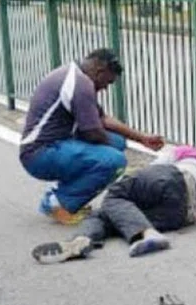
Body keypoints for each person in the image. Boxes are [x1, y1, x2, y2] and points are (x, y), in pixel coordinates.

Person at [19, 48, 165, 225]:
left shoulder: (75, 75)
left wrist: (142, 138)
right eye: (108, 82)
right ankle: (57, 204)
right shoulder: (81, 85)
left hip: (52, 147)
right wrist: (118, 160)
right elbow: (93, 132)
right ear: (99, 71)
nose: (105, 88)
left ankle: (62, 193)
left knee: (117, 143)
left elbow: (102, 119)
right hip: (40, 155)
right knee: (115, 161)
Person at [31, 145, 196, 264]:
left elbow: (153, 167)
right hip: (183, 214)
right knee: (113, 215)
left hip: (173, 178)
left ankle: (149, 234)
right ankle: (82, 240)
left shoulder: (188, 152)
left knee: (114, 196)